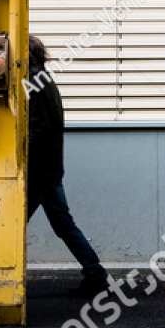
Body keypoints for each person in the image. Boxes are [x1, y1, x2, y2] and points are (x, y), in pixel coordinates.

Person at [26, 35, 109, 298]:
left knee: (11, 224)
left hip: (39, 171)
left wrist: (20, 159)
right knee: (64, 224)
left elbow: (38, 129)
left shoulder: (32, 83)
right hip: (50, 168)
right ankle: (95, 274)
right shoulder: (44, 79)